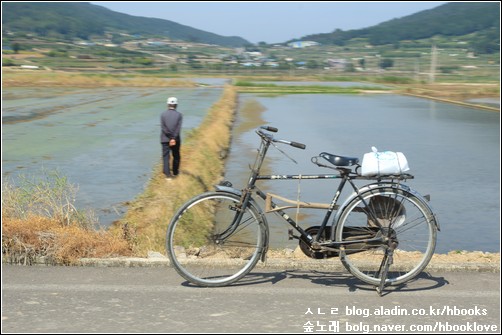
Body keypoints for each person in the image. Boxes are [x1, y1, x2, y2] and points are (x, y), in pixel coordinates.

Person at [160, 96, 183, 179]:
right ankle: (175, 172)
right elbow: (178, 128)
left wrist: (170, 137)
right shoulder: (179, 115)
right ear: (176, 105)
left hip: (164, 139)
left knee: (166, 156)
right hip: (176, 140)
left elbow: (164, 128)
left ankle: (167, 175)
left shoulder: (163, 115)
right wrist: (173, 138)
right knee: (176, 155)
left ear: (168, 104)